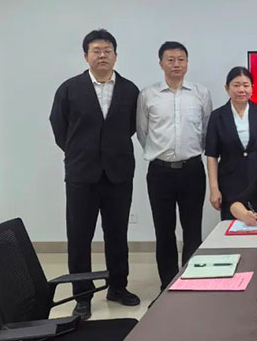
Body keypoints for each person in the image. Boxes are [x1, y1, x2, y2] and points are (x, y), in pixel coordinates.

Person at [49, 29, 140, 320]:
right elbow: (59, 126)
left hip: (118, 173)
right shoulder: (69, 89)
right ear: (86, 56)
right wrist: (80, 151)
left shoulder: (129, 90)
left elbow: (131, 126)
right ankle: (82, 295)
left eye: (107, 51)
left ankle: (118, 287)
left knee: (117, 234)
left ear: (116, 55)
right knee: (79, 236)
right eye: (96, 51)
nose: (102, 55)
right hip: (81, 174)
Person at [136, 41, 212, 290]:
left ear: (187, 63)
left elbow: (205, 131)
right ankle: (167, 285)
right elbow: (143, 132)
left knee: (193, 230)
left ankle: (189, 282)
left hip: (192, 170)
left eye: (181, 59)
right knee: (164, 231)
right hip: (160, 173)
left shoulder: (201, 94)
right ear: (161, 63)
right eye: (170, 60)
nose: (176, 64)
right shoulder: (148, 95)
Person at [206, 66, 257, 220]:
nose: (241, 90)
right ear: (227, 88)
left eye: (246, 85)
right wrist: (214, 188)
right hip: (230, 182)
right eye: (236, 85)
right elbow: (212, 155)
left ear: (252, 88)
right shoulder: (217, 116)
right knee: (232, 224)